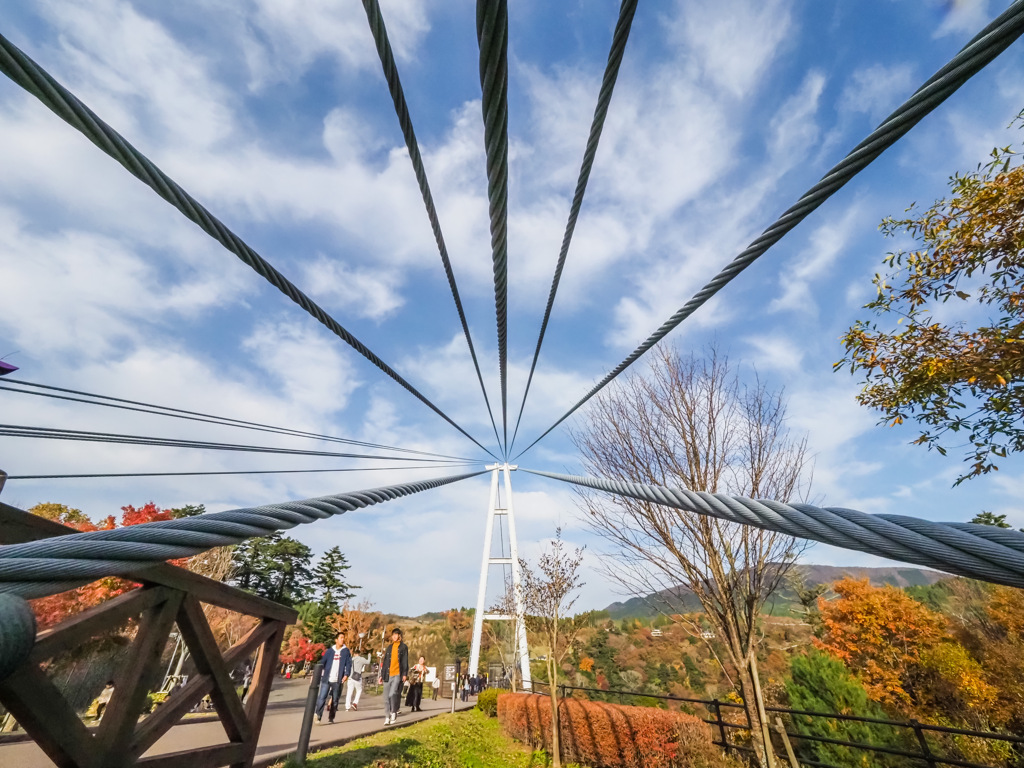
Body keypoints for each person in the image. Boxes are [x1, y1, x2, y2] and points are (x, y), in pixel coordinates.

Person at [315, 632, 351, 724]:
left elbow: (348, 664)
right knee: (322, 697)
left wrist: (346, 674)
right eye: (341, 638)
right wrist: (316, 673)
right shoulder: (330, 651)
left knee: (335, 700)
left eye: (343, 638)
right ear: (336, 640)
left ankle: (331, 717)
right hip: (327, 678)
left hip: (338, 679)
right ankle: (318, 716)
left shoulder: (346, 651)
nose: (343, 639)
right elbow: (322, 662)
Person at [379, 627, 408, 725]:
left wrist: (404, 674)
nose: (395, 636)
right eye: (393, 635)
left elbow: (405, 661)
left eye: (396, 634)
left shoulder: (403, 647)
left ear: (399, 636)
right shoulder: (390, 647)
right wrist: (381, 675)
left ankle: (393, 711)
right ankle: (387, 717)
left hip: (397, 674)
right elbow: (385, 662)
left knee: (393, 694)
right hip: (387, 674)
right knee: (386, 697)